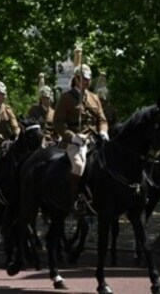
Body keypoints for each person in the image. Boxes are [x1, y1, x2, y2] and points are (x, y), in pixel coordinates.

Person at [52, 49, 109, 212]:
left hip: (94, 140)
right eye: (84, 79)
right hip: (76, 142)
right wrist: (72, 137)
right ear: (76, 79)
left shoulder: (94, 97)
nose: (87, 82)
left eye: (89, 79)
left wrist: (103, 131)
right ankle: (74, 199)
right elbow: (58, 123)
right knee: (78, 165)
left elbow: (102, 119)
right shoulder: (66, 98)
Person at [26, 73, 56, 147]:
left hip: (52, 141)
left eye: (48, 98)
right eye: (45, 98)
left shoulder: (53, 112)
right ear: (41, 98)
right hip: (37, 141)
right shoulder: (34, 110)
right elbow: (30, 127)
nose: (47, 100)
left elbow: (56, 128)